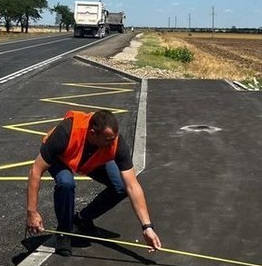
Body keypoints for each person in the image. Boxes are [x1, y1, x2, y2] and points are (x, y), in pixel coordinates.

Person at [25, 108, 162, 256]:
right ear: (92, 134)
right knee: (66, 183)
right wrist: (32, 212)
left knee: (121, 186)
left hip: (90, 160)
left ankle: (82, 219)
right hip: (62, 157)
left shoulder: (114, 142)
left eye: (114, 138)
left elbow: (132, 186)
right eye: (108, 140)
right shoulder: (65, 132)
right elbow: (35, 171)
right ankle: (64, 233)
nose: (113, 143)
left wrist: (147, 227)